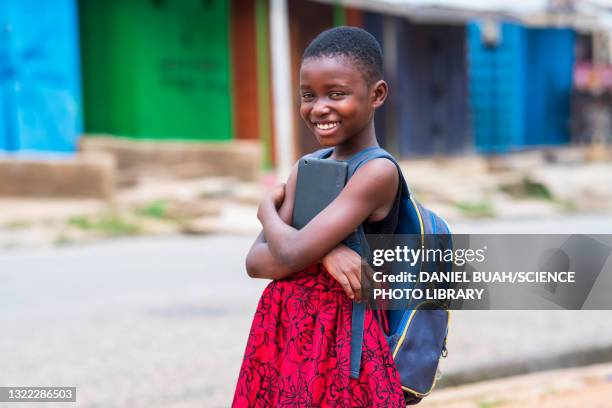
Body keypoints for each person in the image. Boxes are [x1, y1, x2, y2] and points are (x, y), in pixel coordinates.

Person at [232, 26, 406, 407]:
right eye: (308, 95)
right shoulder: (308, 166)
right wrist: (326, 253)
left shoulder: (376, 172)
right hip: (286, 330)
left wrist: (267, 214)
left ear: (376, 94)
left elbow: (290, 254)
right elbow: (256, 262)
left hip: (342, 341)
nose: (319, 107)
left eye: (337, 94)